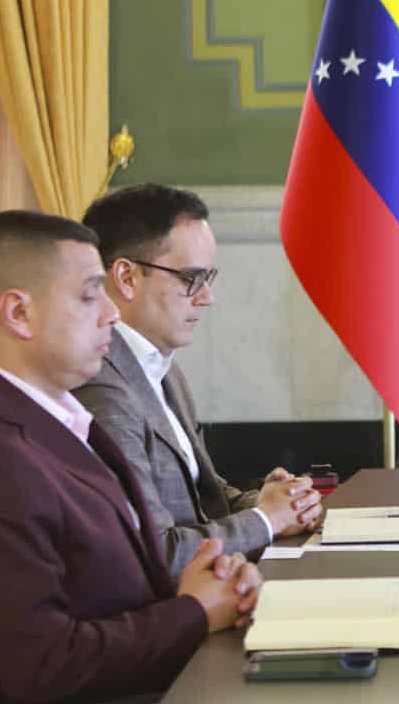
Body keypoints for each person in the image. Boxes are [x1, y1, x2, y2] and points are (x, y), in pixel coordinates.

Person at [0, 210, 261, 704]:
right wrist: (195, 612)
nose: (112, 313)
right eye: (91, 295)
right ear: (18, 313)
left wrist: (213, 582)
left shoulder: (51, 416)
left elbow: (119, 573)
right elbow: (46, 667)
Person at [75, 183, 321, 578]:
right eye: (191, 278)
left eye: (209, 278)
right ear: (126, 277)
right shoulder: (101, 388)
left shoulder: (163, 367)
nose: (206, 297)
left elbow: (201, 496)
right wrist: (266, 519)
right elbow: (160, 554)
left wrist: (272, 502)